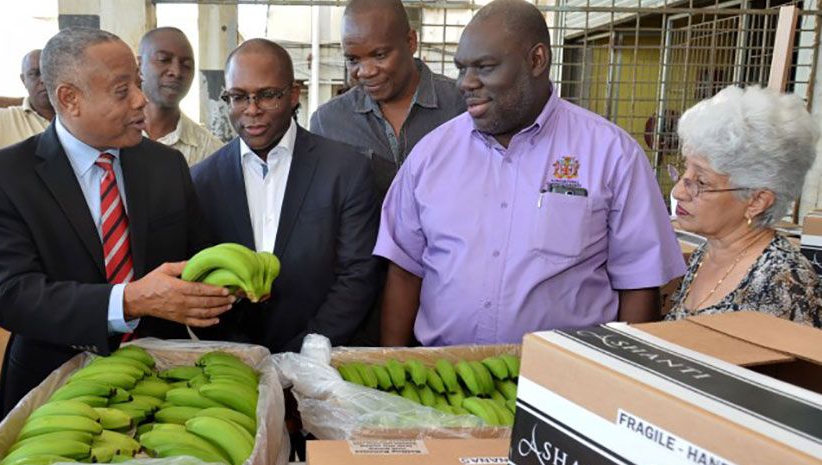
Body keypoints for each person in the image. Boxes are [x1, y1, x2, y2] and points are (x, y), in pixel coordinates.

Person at [374, 0, 686, 347]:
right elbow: (404, 272)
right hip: (442, 383)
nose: (466, 83)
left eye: (485, 67)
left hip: (563, 385)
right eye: (461, 69)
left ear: (536, 60)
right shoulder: (430, 156)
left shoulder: (612, 155)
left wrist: (624, 381)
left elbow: (639, 284)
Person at [0, 28, 235, 422]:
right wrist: (129, 300)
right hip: (49, 394)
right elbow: (13, 295)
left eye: (138, 83)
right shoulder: (6, 176)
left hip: (162, 391)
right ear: (70, 99)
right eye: (122, 91)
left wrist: (226, 289)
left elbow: (196, 260)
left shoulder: (166, 166)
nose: (142, 100)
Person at [191, 39, 381, 353]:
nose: (252, 110)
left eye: (267, 95)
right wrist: (243, 354)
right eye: (238, 97)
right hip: (234, 364)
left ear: (293, 94)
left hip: (323, 359)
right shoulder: (201, 180)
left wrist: (305, 351)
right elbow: (201, 279)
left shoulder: (345, 170)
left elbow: (359, 274)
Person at [666, 86, 821, 327]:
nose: (678, 192)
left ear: (757, 201)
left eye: (701, 182)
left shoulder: (782, 280)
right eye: (684, 173)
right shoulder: (707, 254)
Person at [309, 0, 466, 198]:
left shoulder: (461, 106)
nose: (366, 71)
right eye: (353, 60)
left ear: (411, 42)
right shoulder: (328, 124)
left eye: (380, 55)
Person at [139, 27, 223, 166]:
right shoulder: (112, 140)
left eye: (187, 65)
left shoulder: (211, 152)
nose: (176, 72)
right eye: (164, 59)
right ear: (140, 66)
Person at [0, 49, 55, 149]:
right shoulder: (0, 120)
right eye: (35, 73)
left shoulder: (79, 117)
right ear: (24, 80)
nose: (43, 80)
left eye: (48, 72)